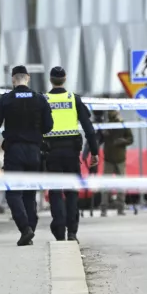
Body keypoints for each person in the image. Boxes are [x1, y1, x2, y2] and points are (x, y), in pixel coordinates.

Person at [0, 65, 54, 246]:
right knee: (30, 194)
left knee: (13, 193)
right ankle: (30, 228)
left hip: (14, 151)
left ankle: (25, 229)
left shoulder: (6, 99)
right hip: (34, 151)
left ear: (13, 80)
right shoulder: (39, 99)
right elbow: (49, 126)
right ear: (28, 78)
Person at [42, 66, 99, 242]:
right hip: (71, 151)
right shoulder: (74, 99)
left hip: (51, 152)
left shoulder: (44, 99)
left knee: (55, 192)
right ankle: (72, 232)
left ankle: (59, 230)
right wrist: (94, 152)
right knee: (72, 192)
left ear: (50, 80)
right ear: (65, 79)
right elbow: (89, 128)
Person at [99, 111, 133, 216]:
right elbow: (100, 139)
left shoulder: (123, 124)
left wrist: (122, 141)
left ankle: (120, 208)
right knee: (106, 186)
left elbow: (130, 139)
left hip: (119, 159)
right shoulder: (106, 125)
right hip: (109, 159)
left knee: (120, 186)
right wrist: (103, 132)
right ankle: (104, 208)